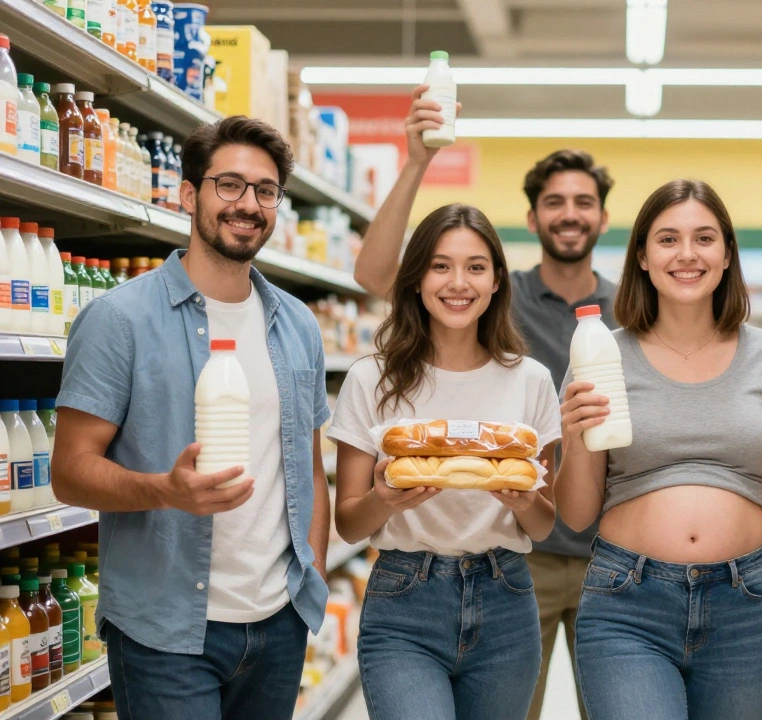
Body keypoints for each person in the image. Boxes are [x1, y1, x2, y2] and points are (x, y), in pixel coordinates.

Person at [50, 117, 331, 720]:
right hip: (166, 632)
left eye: (265, 190)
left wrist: (310, 576)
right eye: (228, 185)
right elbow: (70, 472)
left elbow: (308, 468)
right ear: (186, 194)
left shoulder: (298, 325)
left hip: (278, 625)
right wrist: (166, 491)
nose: (247, 204)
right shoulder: (119, 320)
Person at [353, 86, 615, 719]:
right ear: (532, 219)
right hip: (516, 555)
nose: (570, 214)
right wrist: (415, 159)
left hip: (611, 554)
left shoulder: (629, 309)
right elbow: (378, 275)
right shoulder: (498, 296)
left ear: (604, 217)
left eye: (584, 202)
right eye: (554, 202)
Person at [557, 179, 762, 720]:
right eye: (668, 239)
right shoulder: (601, 355)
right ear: (643, 258)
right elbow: (577, 514)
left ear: (726, 256)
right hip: (627, 602)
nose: (687, 254)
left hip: (745, 604)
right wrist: (576, 438)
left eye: (704, 238)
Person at [330, 201, 560, 720]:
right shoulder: (373, 379)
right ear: (415, 278)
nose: (458, 283)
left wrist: (524, 503)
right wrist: (383, 499)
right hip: (403, 598)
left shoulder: (531, 381)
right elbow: (347, 523)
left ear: (497, 281)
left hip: (506, 597)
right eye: (440, 266)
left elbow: (544, 525)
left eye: (476, 267)